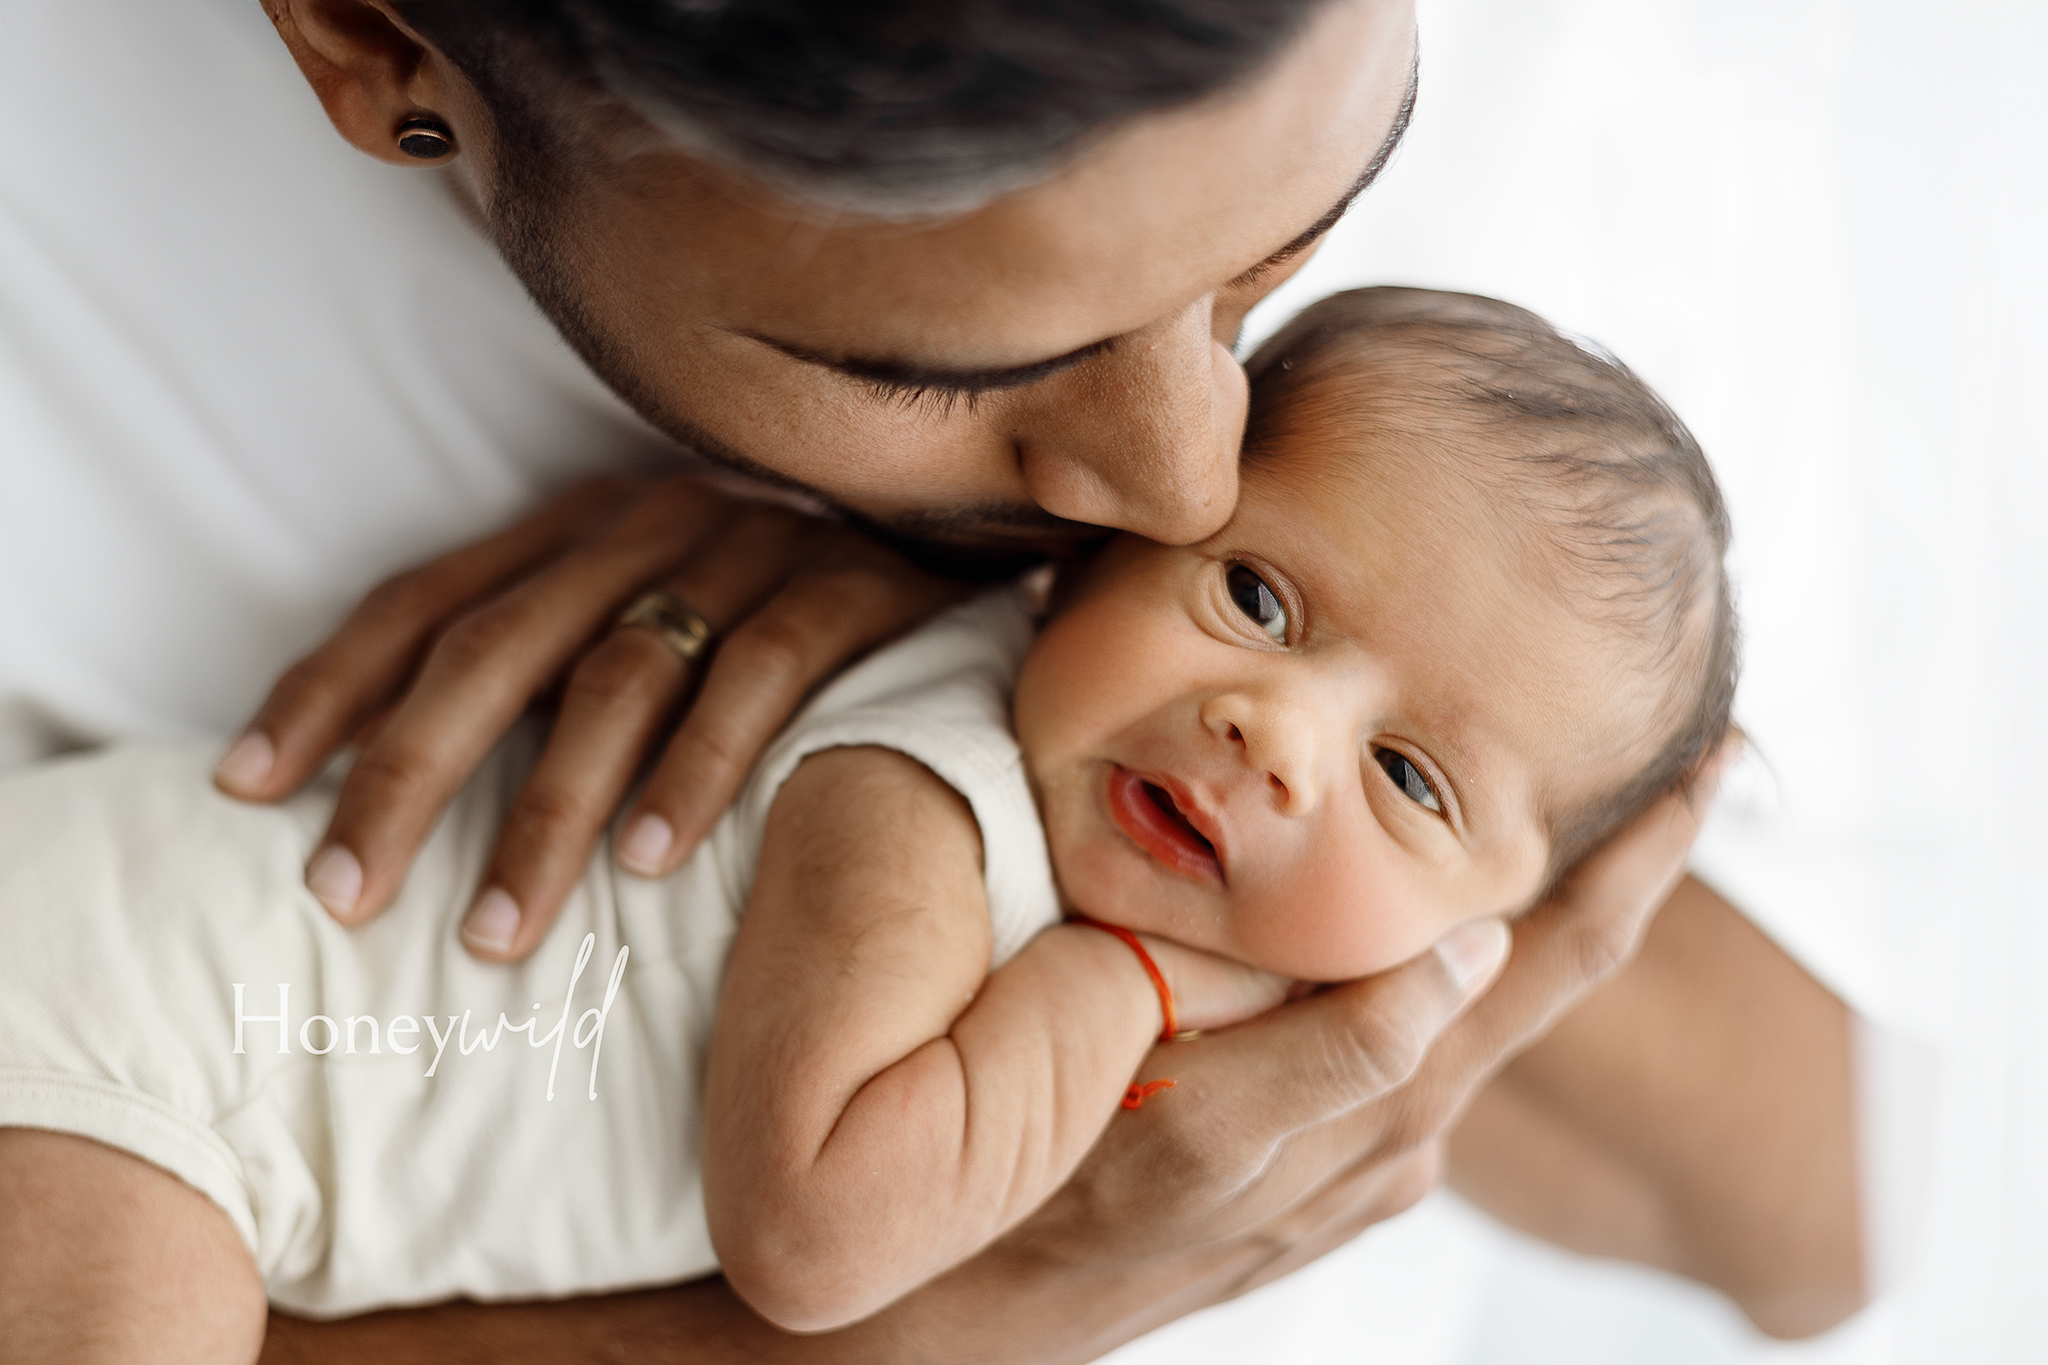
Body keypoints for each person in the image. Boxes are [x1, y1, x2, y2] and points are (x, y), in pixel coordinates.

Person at [0, 2, 1860, 1360]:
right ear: (372, 39)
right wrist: (1028, 1231)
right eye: (946, 371)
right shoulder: (936, 800)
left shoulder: (1620, 273)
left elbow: (1856, 1219)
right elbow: (816, 1244)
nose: (1187, 485)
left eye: (1278, 263)